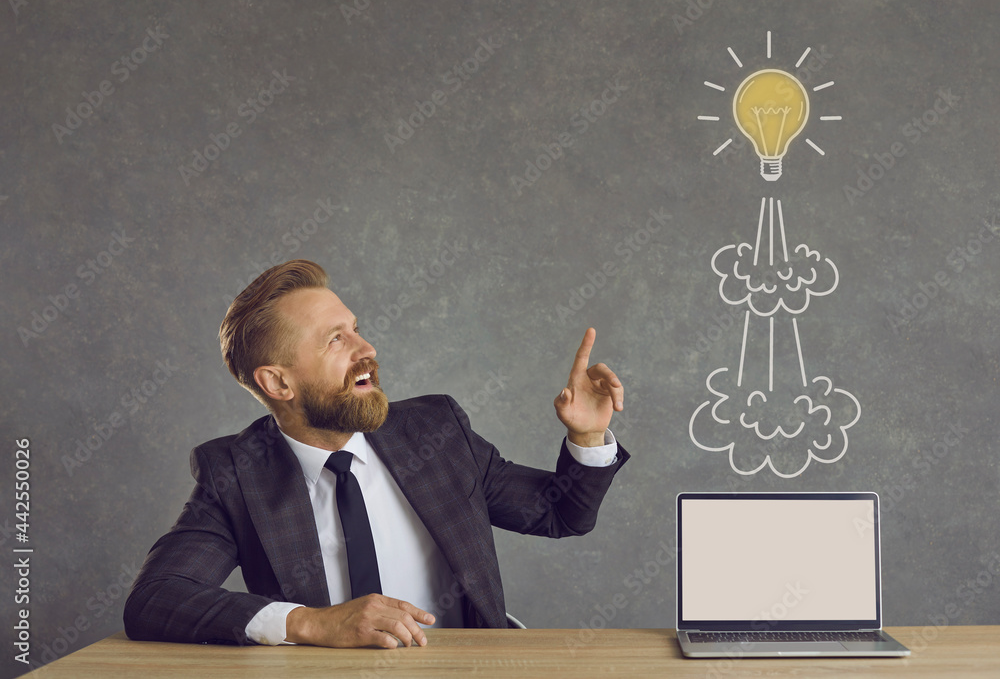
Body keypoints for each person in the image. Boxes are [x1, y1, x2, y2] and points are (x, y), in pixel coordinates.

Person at [124, 259, 629, 649]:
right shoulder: (237, 472)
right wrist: (312, 623)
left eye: (356, 328)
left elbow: (561, 514)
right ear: (277, 382)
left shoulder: (437, 432)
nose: (366, 349)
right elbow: (156, 598)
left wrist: (587, 436)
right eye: (335, 340)